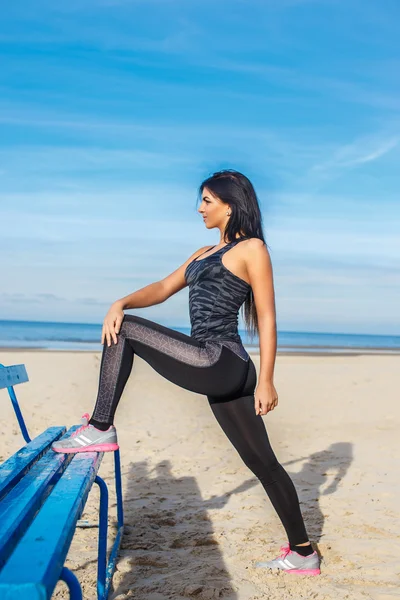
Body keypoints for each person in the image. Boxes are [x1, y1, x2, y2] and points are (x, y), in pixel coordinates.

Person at [52, 169, 321, 575]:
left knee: (126, 330)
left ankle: (101, 425)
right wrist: (120, 301)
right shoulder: (200, 254)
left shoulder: (253, 249)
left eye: (208, 201)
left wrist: (267, 379)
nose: (200, 208)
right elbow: (161, 289)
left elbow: (267, 318)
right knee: (262, 462)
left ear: (229, 205)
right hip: (218, 366)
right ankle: (303, 553)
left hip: (222, 359)